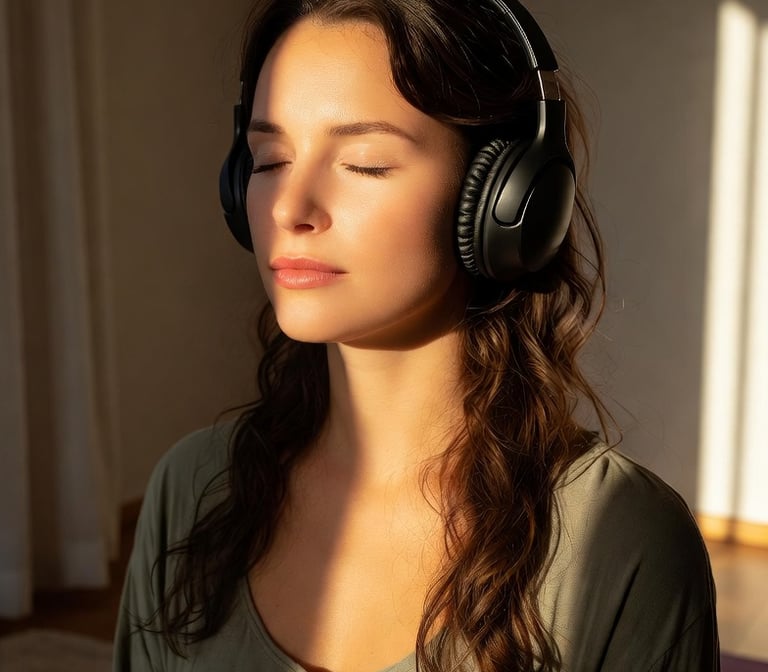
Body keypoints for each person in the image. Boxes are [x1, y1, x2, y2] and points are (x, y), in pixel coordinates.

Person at [113, 1, 720, 670]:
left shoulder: (620, 539)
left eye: (366, 163)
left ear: (505, 201)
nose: (290, 208)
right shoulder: (194, 488)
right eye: (267, 159)